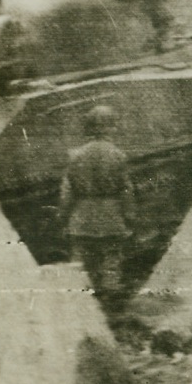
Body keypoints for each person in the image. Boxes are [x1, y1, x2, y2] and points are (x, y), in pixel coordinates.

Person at [58, 105, 134, 314]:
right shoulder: (118, 155)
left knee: (81, 263)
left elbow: (67, 192)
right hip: (110, 215)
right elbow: (126, 190)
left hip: (81, 216)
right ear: (110, 128)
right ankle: (111, 309)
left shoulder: (75, 156)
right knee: (111, 261)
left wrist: (63, 218)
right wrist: (129, 217)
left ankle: (81, 308)